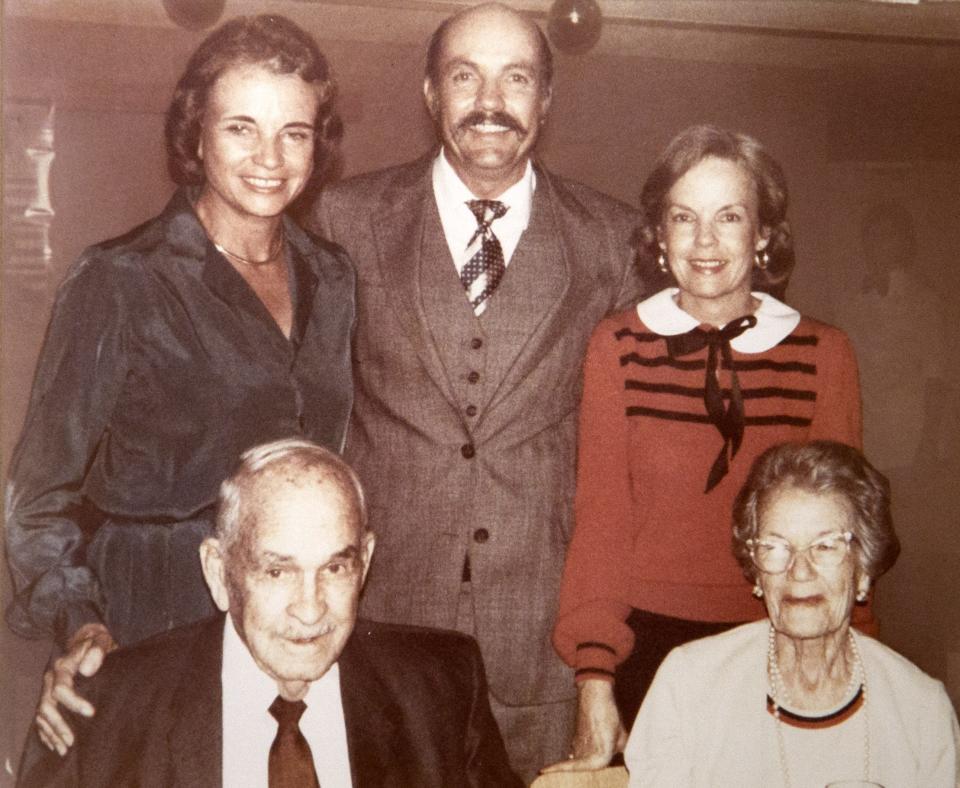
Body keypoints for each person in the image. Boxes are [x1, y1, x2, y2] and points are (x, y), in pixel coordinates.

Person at [308, 2, 644, 779]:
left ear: (546, 100)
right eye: (465, 75)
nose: (490, 101)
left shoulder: (611, 240)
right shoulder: (343, 218)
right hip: (381, 618)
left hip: (542, 634)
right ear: (430, 92)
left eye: (515, 78)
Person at [6, 14, 354, 758]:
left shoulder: (334, 278)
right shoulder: (120, 280)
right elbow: (36, 505)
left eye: (294, 132)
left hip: (291, 618)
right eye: (241, 128)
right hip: (149, 617)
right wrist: (84, 625)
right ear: (195, 136)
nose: (270, 157)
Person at [548, 125, 864, 773]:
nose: (706, 242)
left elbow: (844, 543)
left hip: (781, 637)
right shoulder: (619, 346)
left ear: (765, 235)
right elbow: (601, 521)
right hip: (647, 650)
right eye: (684, 218)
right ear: (658, 237)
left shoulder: (823, 354)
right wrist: (595, 678)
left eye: (729, 217)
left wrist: (854, 664)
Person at [17, 438, 520, 788]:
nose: (310, 608)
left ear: (364, 562)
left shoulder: (442, 686)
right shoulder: (101, 714)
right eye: (278, 571)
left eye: (335, 568)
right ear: (218, 572)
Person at [624, 440, 960, 786]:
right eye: (776, 547)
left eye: (826, 546)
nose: (800, 571)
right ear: (756, 573)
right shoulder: (689, 685)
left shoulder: (920, 710)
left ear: (863, 570)